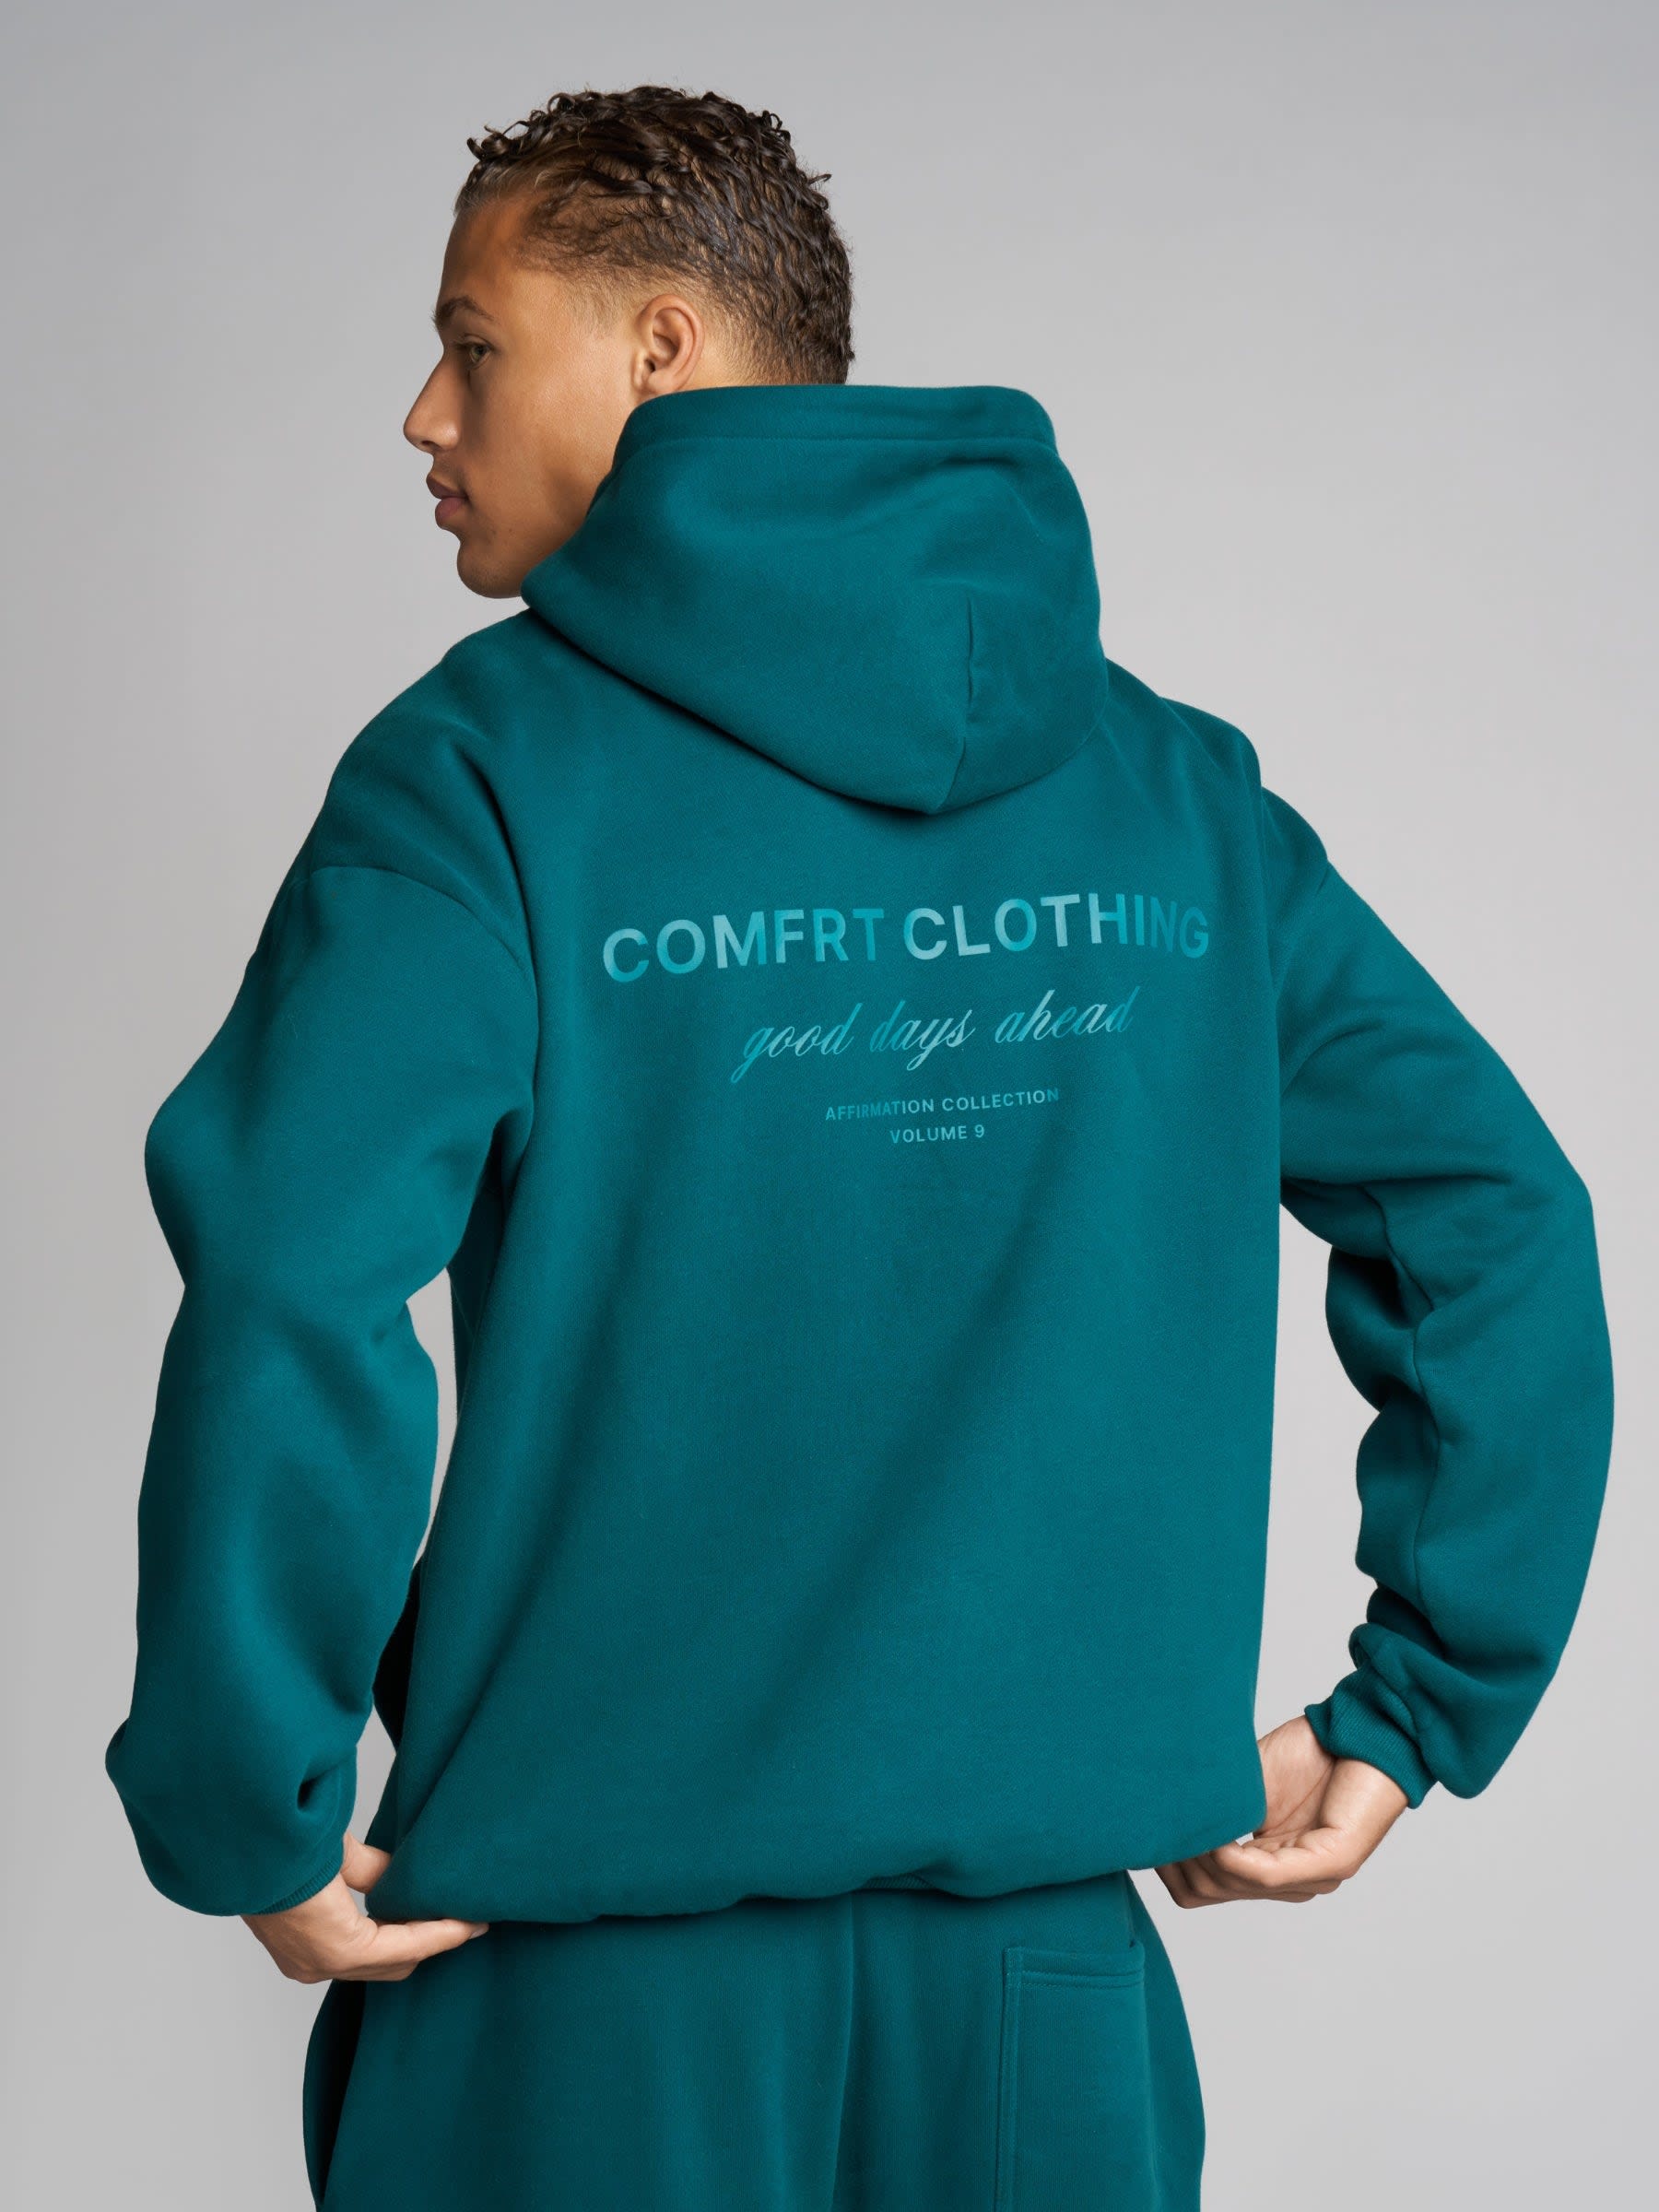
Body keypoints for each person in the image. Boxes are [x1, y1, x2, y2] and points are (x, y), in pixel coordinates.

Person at [104, 84, 1616, 2212]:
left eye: (472, 342)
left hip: (584, 2013)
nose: (426, 414)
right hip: (1047, 2023)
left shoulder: (479, 780)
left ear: (656, 350)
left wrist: (243, 1796)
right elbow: (1499, 1219)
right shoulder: (1179, 805)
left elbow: (293, 1269)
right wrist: (1412, 1713)